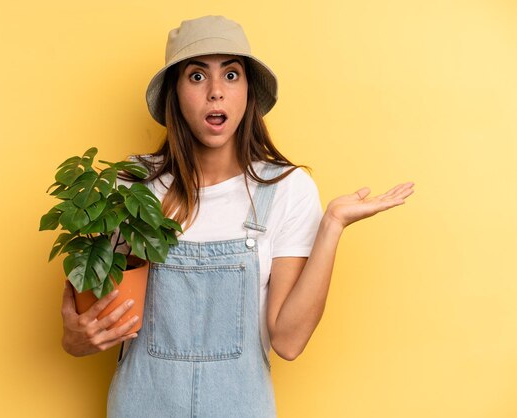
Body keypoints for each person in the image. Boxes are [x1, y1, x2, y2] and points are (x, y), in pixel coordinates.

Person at [59, 15, 415, 417]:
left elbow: (289, 341)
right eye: (196, 77)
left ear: (248, 92)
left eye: (231, 74)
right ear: (174, 93)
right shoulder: (130, 187)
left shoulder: (286, 189)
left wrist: (332, 226)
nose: (215, 93)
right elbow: (84, 324)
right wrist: (76, 338)